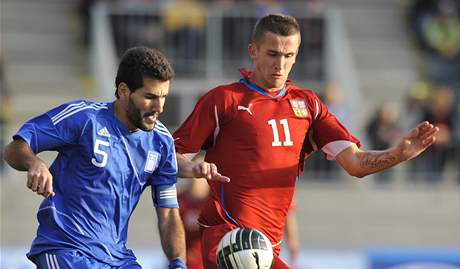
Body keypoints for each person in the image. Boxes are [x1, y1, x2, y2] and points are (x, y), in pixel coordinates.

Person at [172, 14, 439, 269]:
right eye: (272, 54)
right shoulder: (224, 100)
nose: (280, 65)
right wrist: (193, 168)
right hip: (229, 239)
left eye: (289, 56)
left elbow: (355, 163)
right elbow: (171, 153)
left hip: (267, 246)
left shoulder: (308, 105)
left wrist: (399, 154)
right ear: (253, 51)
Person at [3, 47, 229, 269]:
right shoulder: (84, 118)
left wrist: (178, 263)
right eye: (150, 97)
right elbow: (14, 149)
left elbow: (169, 214)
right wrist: (35, 163)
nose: (159, 107)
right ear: (123, 91)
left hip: (117, 258)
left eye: (163, 97)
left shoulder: (161, 143)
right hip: (66, 249)